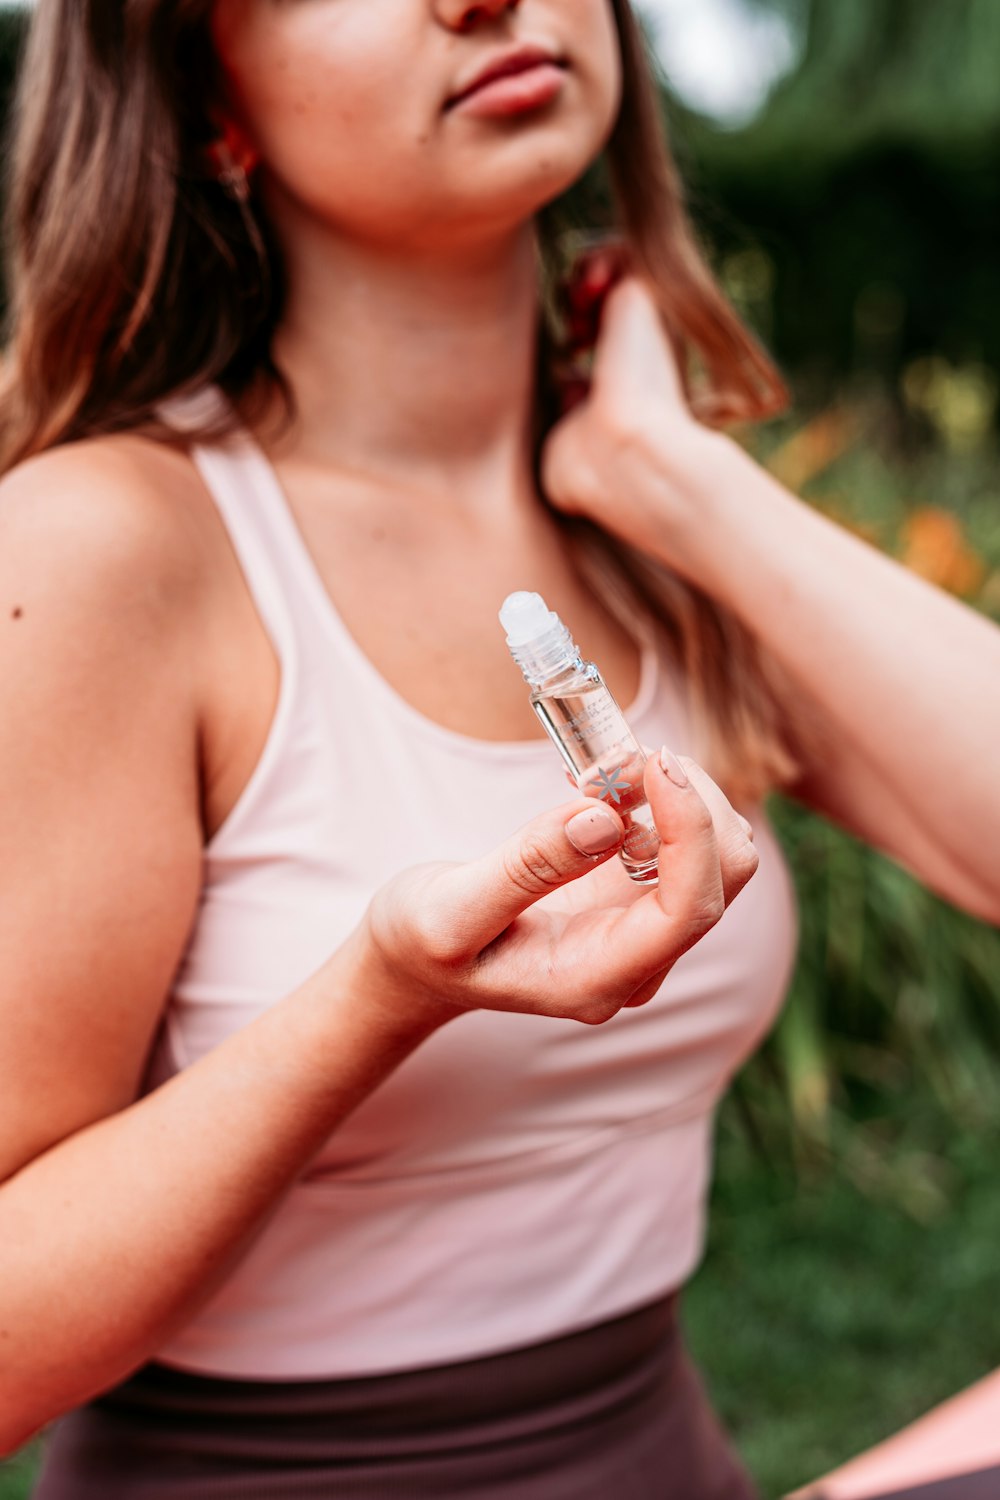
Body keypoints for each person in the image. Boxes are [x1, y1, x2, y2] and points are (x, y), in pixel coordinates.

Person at [1, 1, 997, 1497]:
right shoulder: (103, 548)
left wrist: (670, 477)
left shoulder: (658, 531)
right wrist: (374, 1003)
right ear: (210, 106)